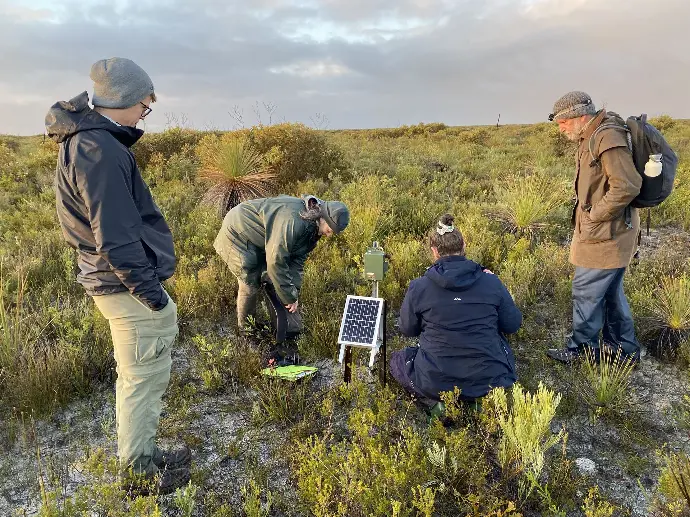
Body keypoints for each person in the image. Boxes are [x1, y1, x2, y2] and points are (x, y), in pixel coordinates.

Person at [46, 58, 190, 493]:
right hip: (125, 285)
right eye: (144, 106)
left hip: (112, 280)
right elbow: (117, 238)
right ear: (125, 100)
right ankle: (141, 471)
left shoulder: (88, 142)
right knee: (142, 378)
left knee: (136, 375)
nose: (144, 114)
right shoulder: (101, 150)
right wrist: (154, 297)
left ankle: (141, 454)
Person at [546, 92, 642, 365]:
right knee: (611, 293)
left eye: (564, 122)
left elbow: (627, 185)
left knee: (586, 291)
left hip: (607, 234)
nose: (561, 128)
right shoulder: (593, 134)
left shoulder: (606, 136)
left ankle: (581, 350)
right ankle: (622, 350)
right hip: (607, 232)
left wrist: (594, 215)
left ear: (580, 116)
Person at [391, 214, 522, 412]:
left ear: (434, 251)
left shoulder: (419, 287)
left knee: (397, 361)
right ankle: (482, 402)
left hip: (435, 380)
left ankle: (436, 405)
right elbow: (512, 324)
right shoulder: (491, 281)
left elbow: (408, 329)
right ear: (464, 245)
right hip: (490, 379)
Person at [214, 194, 350, 350]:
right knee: (250, 281)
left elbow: (296, 262)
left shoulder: (314, 229)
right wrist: (288, 295)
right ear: (323, 218)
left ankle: (283, 328)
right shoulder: (294, 223)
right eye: (330, 229)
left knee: (277, 282)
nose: (329, 234)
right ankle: (248, 333)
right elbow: (276, 261)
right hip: (238, 230)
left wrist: (293, 294)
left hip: (262, 237)